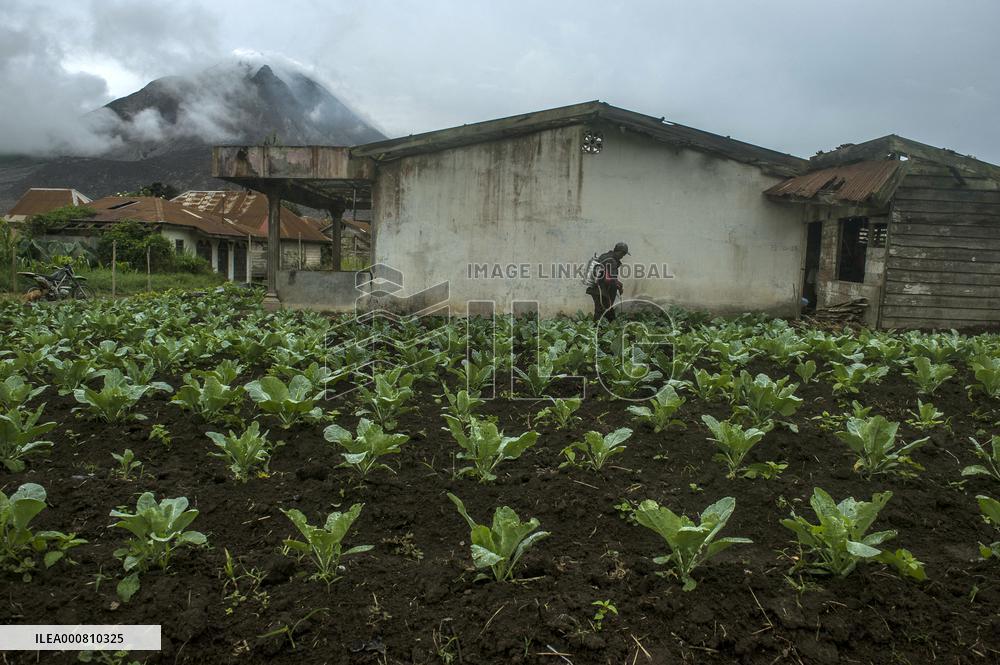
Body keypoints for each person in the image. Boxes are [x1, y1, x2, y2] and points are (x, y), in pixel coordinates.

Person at [586, 241, 629, 322]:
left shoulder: (605, 256)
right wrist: (619, 286)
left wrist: (617, 284)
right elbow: (609, 279)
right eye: (623, 254)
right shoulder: (612, 261)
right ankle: (596, 327)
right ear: (620, 252)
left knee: (607, 308)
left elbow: (607, 275)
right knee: (600, 311)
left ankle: (611, 324)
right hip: (601, 290)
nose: (622, 257)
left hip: (597, 288)